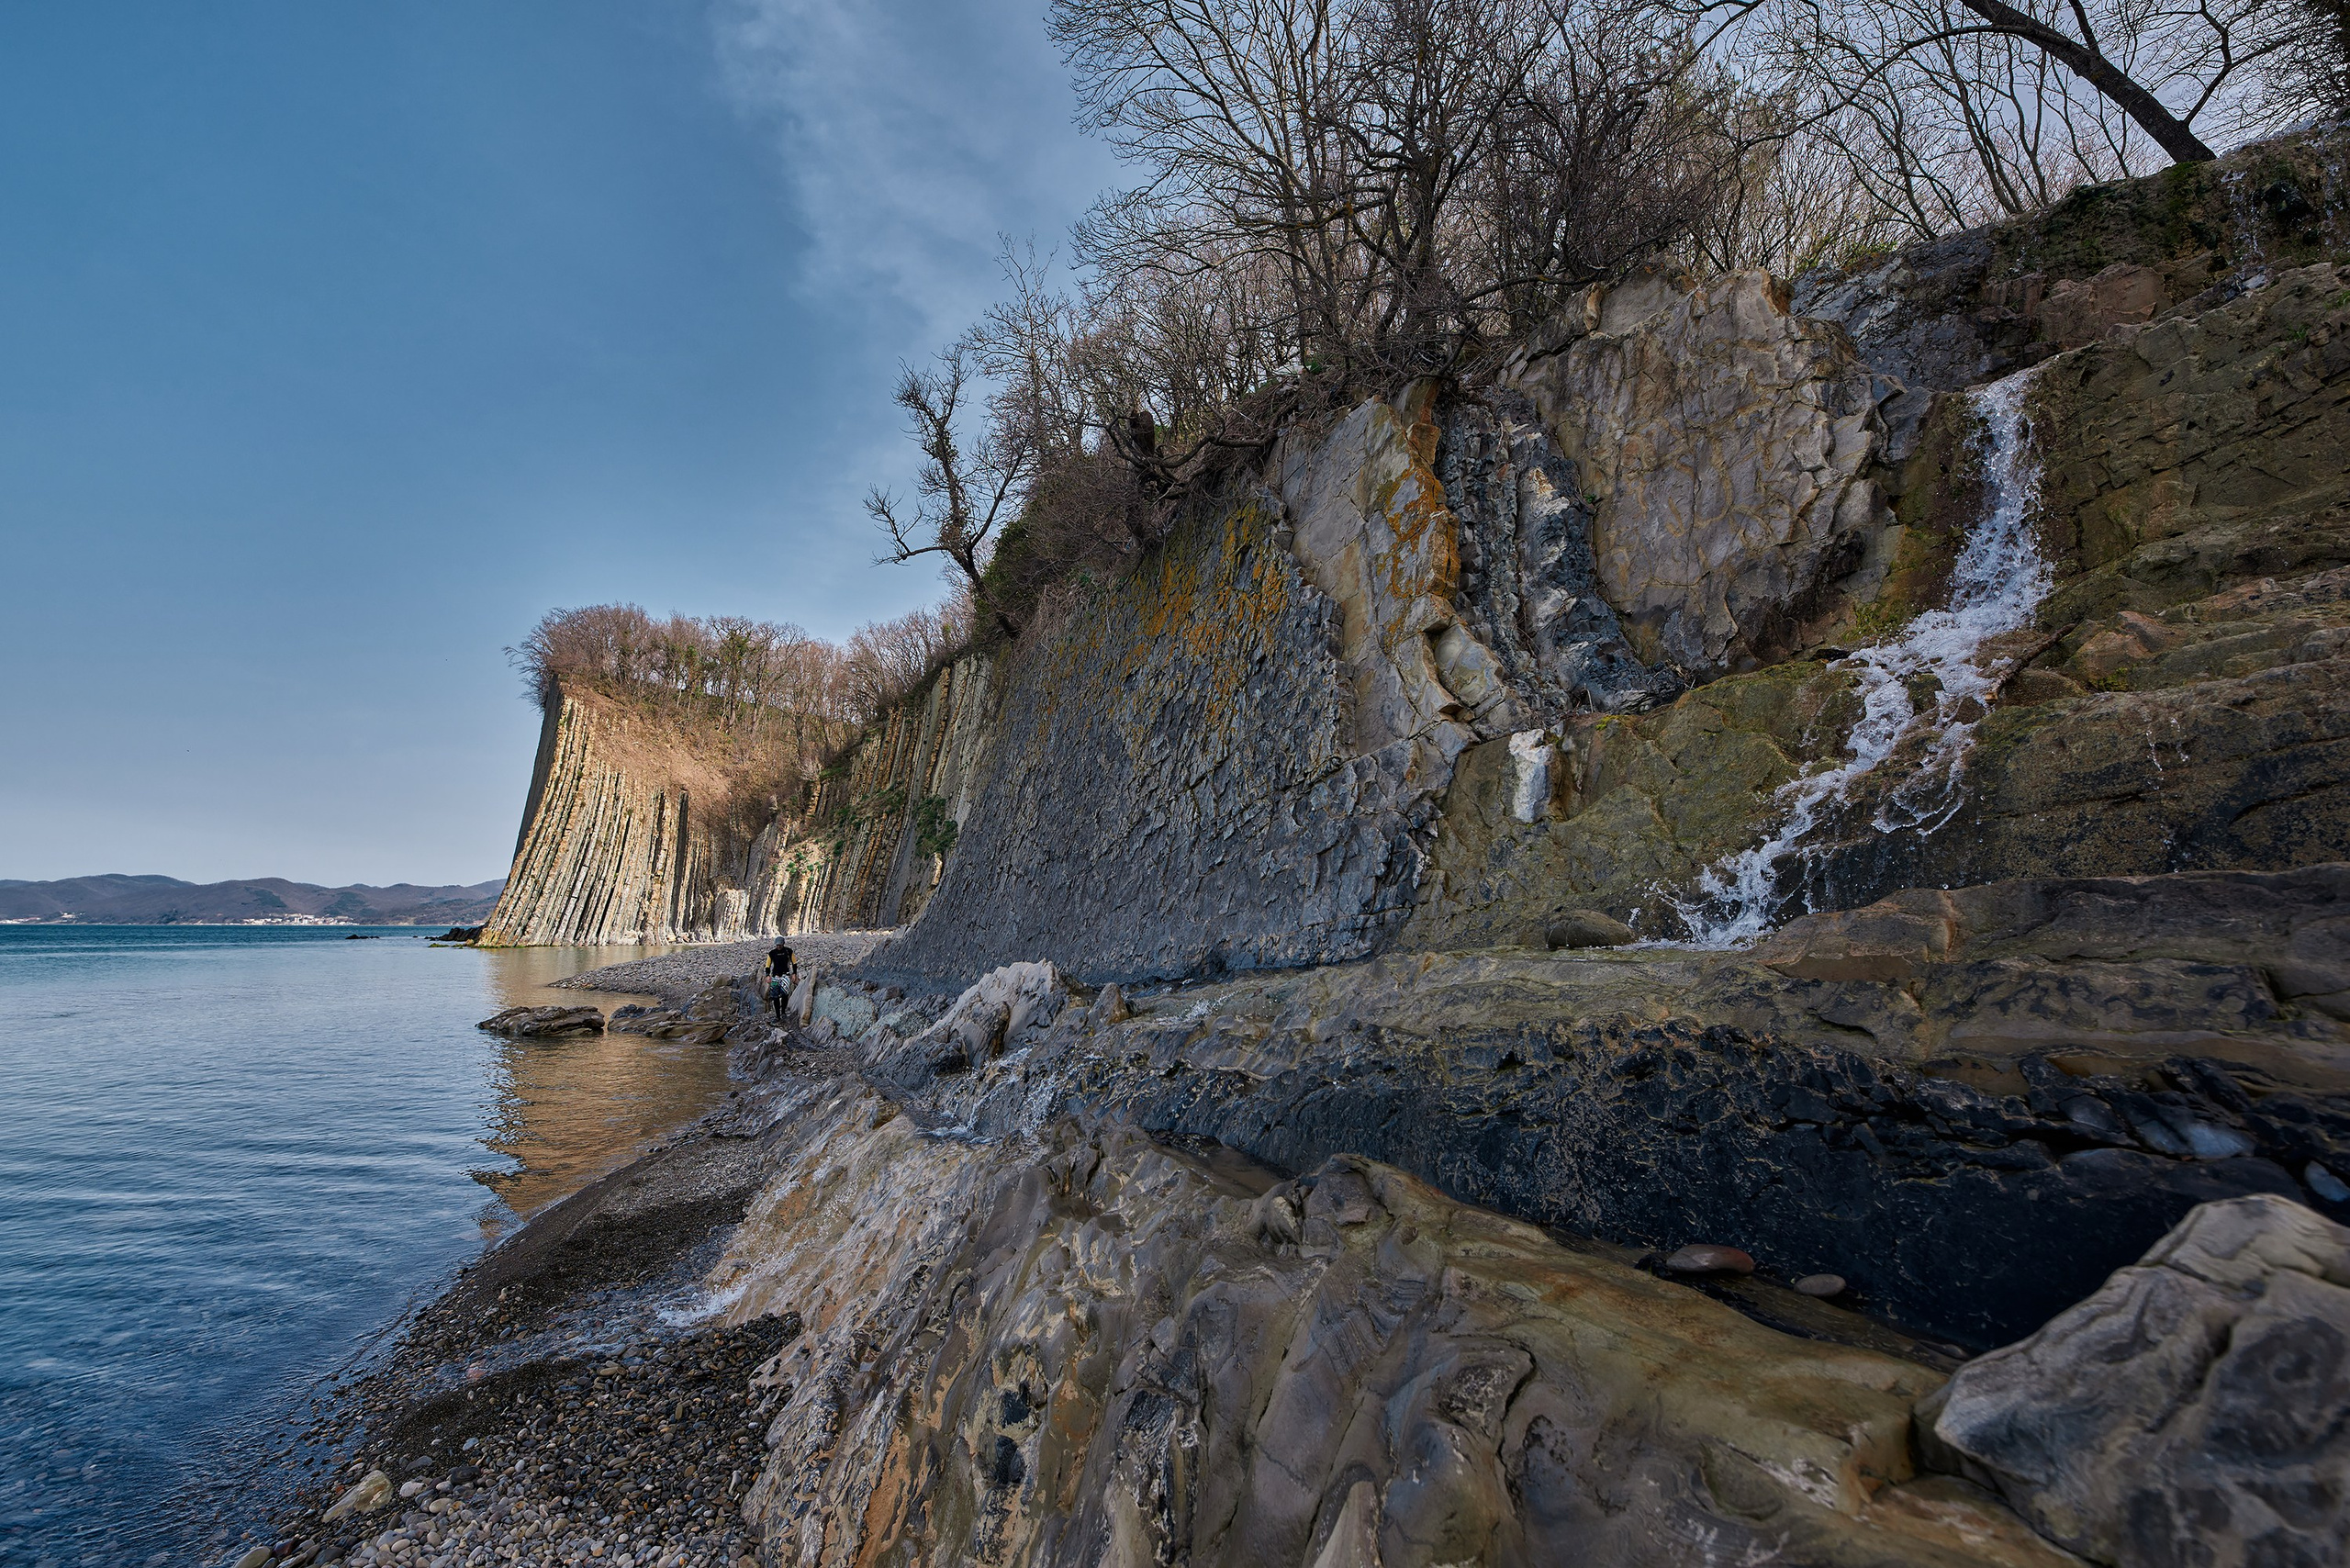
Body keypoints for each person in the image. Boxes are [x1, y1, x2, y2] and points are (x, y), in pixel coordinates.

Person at [765, 940, 796, 1022]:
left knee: (785, 994)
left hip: (785, 975)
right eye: (777, 945)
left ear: (783, 944)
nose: (779, 947)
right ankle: (777, 1016)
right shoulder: (772, 953)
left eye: (780, 945)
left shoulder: (788, 951)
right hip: (775, 976)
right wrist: (767, 975)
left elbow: (794, 963)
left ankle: (783, 1012)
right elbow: (768, 965)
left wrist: (794, 974)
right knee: (775, 997)